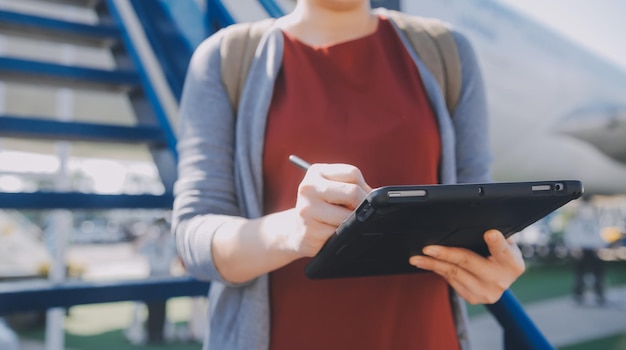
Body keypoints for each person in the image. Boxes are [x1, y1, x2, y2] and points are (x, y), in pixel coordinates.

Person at [172, 1, 525, 349]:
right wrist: (293, 230)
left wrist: (493, 257)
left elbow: (477, 201)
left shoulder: (446, 51)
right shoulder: (226, 57)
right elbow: (192, 237)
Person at [564, 198, 607, 305]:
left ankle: (599, 294)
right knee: (580, 274)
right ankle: (578, 295)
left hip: (593, 250)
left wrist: (600, 246)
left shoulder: (595, 222)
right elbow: (570, 236)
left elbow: (600, 236)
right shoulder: (575, 223)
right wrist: (574, 247)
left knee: (598, 274)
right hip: (581, 251)